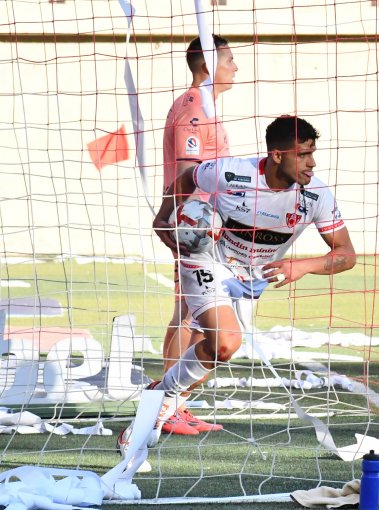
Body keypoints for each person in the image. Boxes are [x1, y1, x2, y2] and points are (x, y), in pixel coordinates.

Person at [119, 115, 357, 466]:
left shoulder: (316, 195)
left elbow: (346, 254)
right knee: (228, 341)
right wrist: (165, 214)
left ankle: (158, 399)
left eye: (313, 153)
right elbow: (188, 176)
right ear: (278, 155)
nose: (312, 162)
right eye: (304, 154)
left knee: (215, 353)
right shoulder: (231, 173)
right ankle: (158, 407)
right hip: (206, 259)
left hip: (248, 282)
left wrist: (302, 265)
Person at [159, 34, 239, 435]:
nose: (235, 68)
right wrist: (174, 218)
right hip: (192, 225)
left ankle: (175, 402)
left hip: (204, 224)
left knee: (189, 310)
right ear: (208, 64)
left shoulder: (205, 107)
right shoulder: (194, 108)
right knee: (189, 313)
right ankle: (167, 405)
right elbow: (189, 172)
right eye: (229, 60)